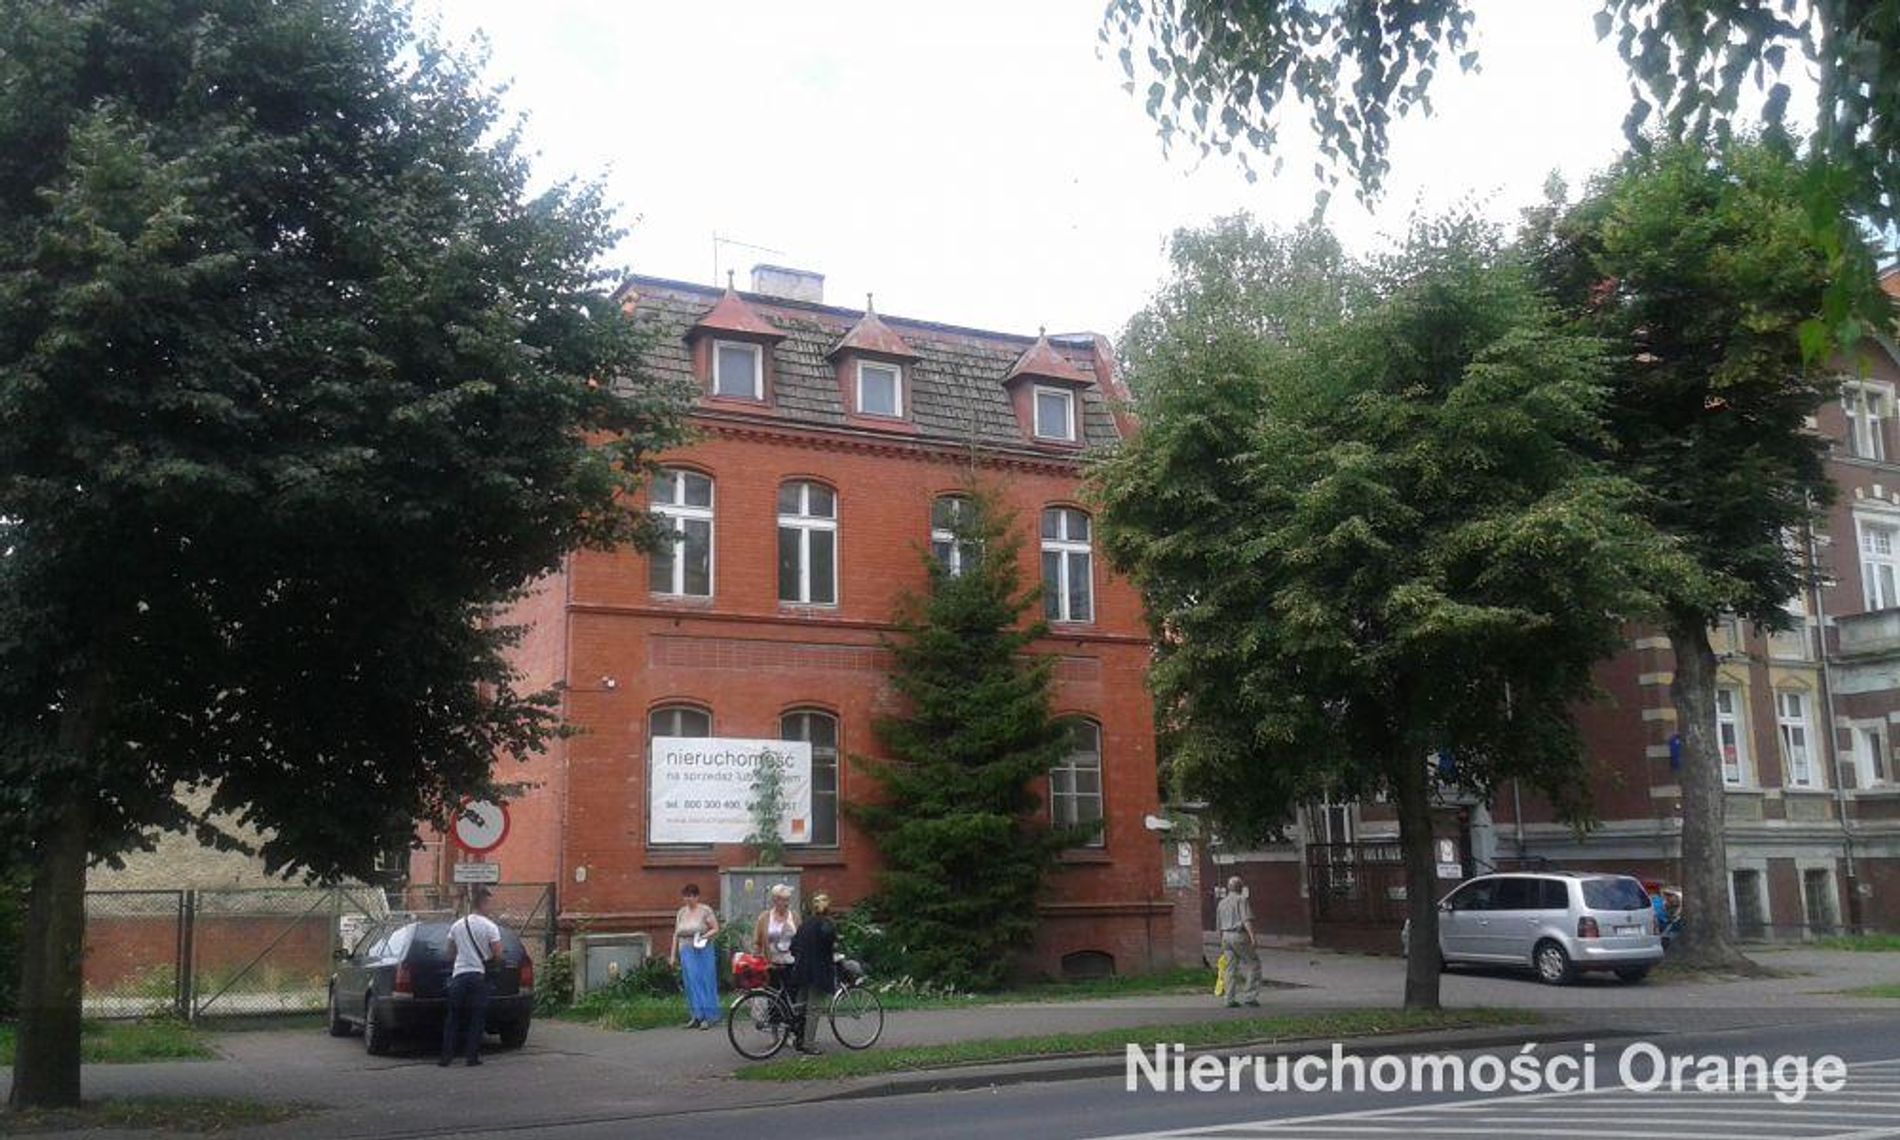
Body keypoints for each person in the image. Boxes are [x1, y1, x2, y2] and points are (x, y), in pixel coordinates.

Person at [441, 886, 504, 1066]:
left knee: (453, 1017)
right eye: (489, 904)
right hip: (478, 977)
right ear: (483, 904)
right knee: (477, 1017)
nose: (491, 908)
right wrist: (492, 962)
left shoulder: (457, 925)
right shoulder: (490, 927)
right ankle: (472, 1057)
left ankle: (446, 1057)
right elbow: (498, 954)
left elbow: (449, 953)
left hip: (459, 976)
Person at [785, 892, 837, 1056]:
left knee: (800, 1007)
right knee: (814, 1009)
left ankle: (798, 1039)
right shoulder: (827, 924)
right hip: (818, 972)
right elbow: (830, 945)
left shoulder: (805, 924)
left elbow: (793, 946)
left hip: (801, 971)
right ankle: (809, 1044)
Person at [670, 883, 720, 1030]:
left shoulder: (705, 910)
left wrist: (703, 936)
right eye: (686, 896)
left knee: (703, 981)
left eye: (691, 896)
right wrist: (672, 955)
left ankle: (707, 1016)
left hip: (702, 949)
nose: (688, 899)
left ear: (697, 897)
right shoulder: (681, 912)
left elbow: (715, 928)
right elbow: (676, 934)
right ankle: (696, 1015)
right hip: (686, 950)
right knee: (690, 982)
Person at [1216, 876, 1262, 1008]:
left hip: (1225, 936)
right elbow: (1246, 920)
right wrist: (1252, 937)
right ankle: (1250, 996)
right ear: (1241, 887)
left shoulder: (1222, 903)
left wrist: (1221, 941)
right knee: (1253, 963)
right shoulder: (1241, 900)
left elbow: (1219, 925)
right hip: (1238, 935)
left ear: (1228, 888)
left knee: (1230, 968)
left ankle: (1229, 998)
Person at [752, 883, 799, 995]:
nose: (786, 903)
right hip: (771, 965)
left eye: (788, 900)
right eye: (783, 900)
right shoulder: (765, 917)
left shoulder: (794, 917)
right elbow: (757, 941)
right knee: (773, 997)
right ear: (775, 900)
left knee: (790, 997)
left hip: (791, 964)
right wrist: (758, 959)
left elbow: (801, 939)